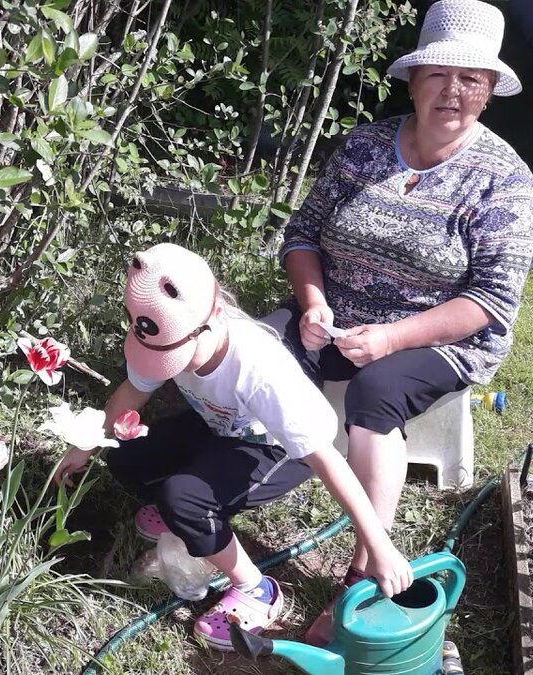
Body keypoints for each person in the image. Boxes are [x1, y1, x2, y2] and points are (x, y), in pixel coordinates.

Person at [268, 0, 533, 645]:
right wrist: (312, 304)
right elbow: (301, 236)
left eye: (471, 79)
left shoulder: (504, 180)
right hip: (337, 319)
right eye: (439, 74)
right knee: (252, 351)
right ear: (413, 81)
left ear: (491, 91)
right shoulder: (363, 146)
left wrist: (391, 338)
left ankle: (362, 571)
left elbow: (491, 301)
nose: (453, 90)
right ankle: (204, 504)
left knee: (375, 391)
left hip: (444, 335)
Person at [51, 242, 412, 651]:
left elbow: (329, 461)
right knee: (127, 453)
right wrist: (86, 443)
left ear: (213, 318)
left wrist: (379, 547)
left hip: (277, 449)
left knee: (183, 498)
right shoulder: (159, 327)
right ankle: (190, 522)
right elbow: (132, 392)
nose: (175, 368)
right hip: (219, 425)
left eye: (178, 357)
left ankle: (257, 588)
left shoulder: (259, 371)